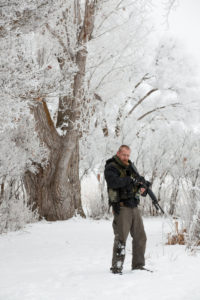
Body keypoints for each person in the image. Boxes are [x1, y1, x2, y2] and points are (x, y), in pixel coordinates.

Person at [104, 145, 147, 274]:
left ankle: (138, 266)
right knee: (121, 238)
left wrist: (142, 187)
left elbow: (139, 181)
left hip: (134, 206)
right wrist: (130, 180)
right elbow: (114, 182)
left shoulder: (130, 167)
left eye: (128, 155)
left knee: (141, 237)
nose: (126, 158)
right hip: (122, 208)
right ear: (118, 153)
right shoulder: (111, 167)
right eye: (124, 155)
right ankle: (117, 267)